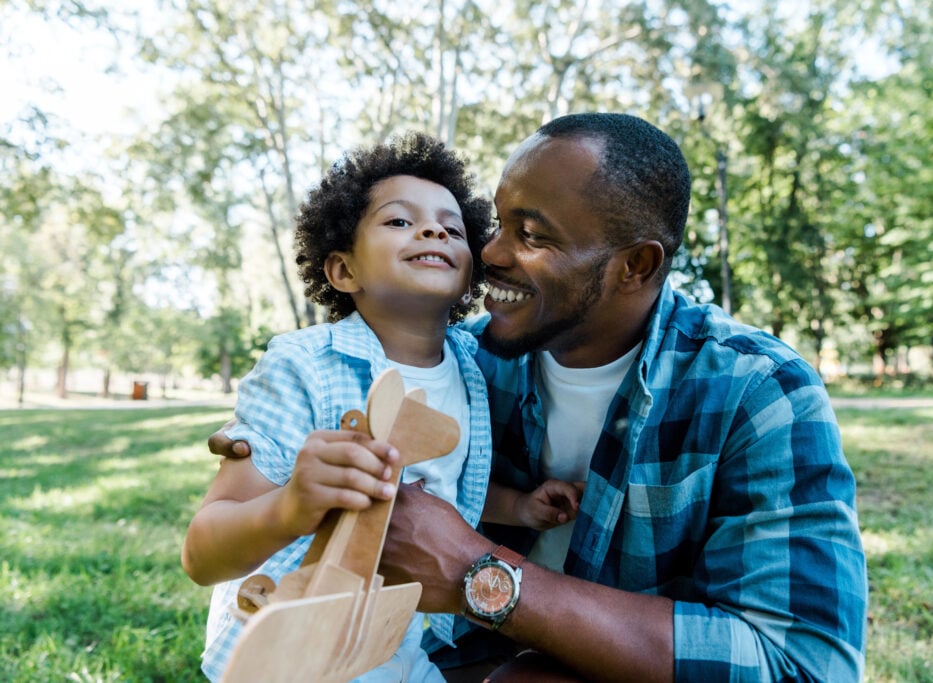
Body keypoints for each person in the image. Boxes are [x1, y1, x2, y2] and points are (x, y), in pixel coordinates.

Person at [212, 113, 868, 682]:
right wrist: (265, 441)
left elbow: (803, 664)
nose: (488, 251)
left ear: (635, 265)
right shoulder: (460, 364)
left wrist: (481, 572)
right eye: (497, 222)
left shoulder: (757, 391)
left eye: (532, 235)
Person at [183, 132, 583, 683]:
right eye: (399, 221)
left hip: (390, 639)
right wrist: (293, 505)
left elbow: (437, 484)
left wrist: (518, 508)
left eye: (453, 226)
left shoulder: (475, 363)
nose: (434, 230)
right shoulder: (303, 366)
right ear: (344, 272)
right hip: (287, 641)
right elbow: (202, 554)